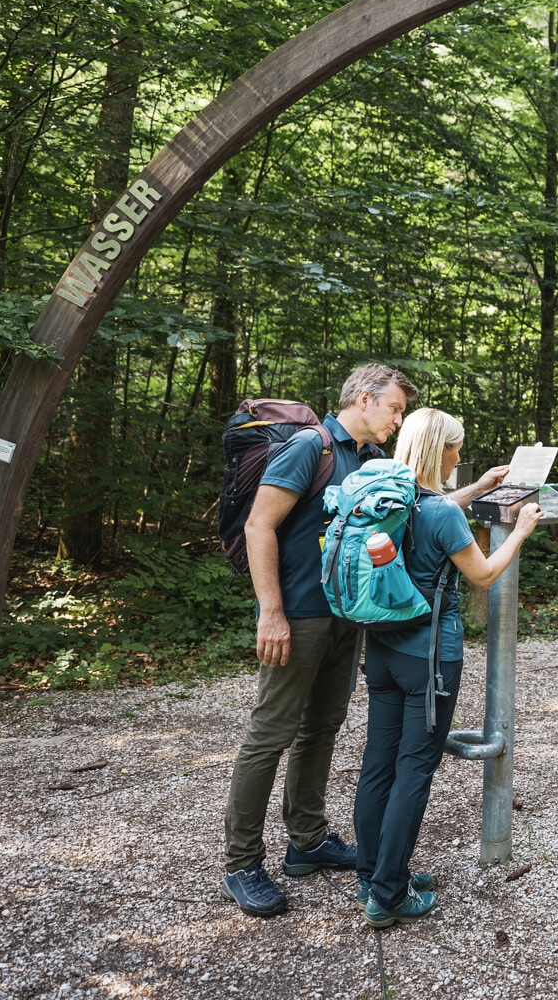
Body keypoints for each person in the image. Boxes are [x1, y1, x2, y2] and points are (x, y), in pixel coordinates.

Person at [220, 363, 418, 917]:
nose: (398, 421)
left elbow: (415, 510)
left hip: (345, 617)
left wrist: (480, 489)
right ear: (362, 397)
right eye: (395, 408)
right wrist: (271, 613)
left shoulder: (370, 460)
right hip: (298, 615)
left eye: (402, 412)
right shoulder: (313, 446)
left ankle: (306, 842)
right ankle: (241, 863)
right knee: (270, 734)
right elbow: (260, 525)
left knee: (322, 728)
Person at [353, 408, 532, 928]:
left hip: (382, 650)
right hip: (430, 659)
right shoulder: (441, 513)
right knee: (414, 770)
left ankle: (375, 873)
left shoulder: (387, 498)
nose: (460, 454)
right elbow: (482, 574)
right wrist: (519, 530)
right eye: (457, 447)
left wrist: (476, 486)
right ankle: (388, 895)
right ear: (443, 451)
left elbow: (439, 508)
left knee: (378, 764)